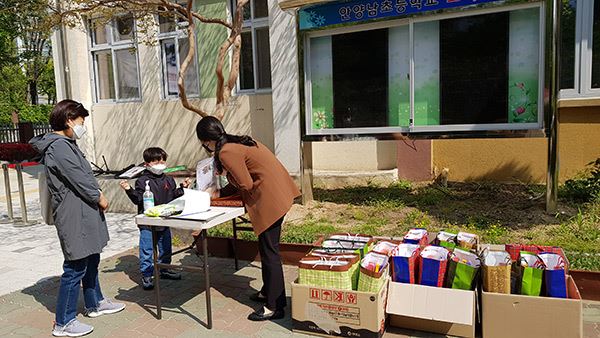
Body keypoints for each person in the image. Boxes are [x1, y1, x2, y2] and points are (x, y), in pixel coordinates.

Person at [30, 100, 125, 337]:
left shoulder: (66, 143)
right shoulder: (59, 147)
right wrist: (99, 197)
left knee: (91, 257)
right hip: (74, 214)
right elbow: (79, 179)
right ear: (68, 120)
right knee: (75, 266)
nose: (82, 127)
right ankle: (64, 322)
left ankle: (95, 303)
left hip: (84, 211)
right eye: (81, 122)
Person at [196, 116, 301, 321]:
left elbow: (246, 184)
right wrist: (222, 192)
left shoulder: (225, 151)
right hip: (278, 192)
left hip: (269, 200)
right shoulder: (239, 141)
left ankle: (275, 306)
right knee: (267, 249)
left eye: (203, 143)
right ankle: (267, 292)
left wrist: (225, 179)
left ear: (207, 140)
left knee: (270, 252)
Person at [119, 147, 191, 290]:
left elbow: (173, 196)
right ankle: (147, 274)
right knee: (147, 249)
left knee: (165, 247)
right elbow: (138, 199)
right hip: (148, 222)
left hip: (165, 219)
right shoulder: (142, 181)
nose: (160, 163)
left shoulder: (169, 179)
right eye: (156, 161)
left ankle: (164, 269)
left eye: (163, 160)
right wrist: (128, 189)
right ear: (146, 164)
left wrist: (183, 187)